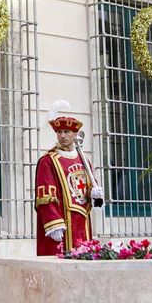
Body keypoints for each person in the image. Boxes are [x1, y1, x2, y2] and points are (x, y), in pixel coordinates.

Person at [35, 102, 103, 255]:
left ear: (75, 135)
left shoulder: (84, 160)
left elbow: (86, 188)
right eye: (59, 132)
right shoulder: (48, 161)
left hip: (82, 220)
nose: (62, 136)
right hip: (62, 222)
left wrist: (94, 194)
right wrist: (53, 223)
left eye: (66, 132)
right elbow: (45, 194)